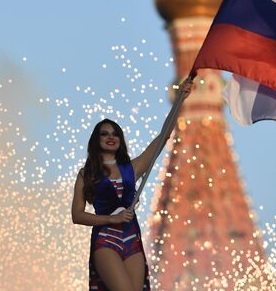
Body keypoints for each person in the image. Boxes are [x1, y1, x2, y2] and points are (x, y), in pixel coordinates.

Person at [71, 80, 193, 290]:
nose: (111, 137)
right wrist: (112, 218)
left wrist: (179, 100)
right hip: (106, 240)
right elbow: (77, 215)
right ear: (95, 140)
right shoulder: (87, 174)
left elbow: (162, 138)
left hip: (131, 238)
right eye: (105, 133)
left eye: (115, 133)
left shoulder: (132, 168)